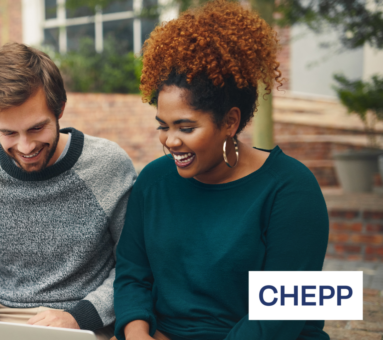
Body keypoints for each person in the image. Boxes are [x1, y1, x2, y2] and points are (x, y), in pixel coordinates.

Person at [113, 1, 330, 339]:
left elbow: (280, 316)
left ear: (230, 121)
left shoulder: (291, 189)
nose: (170, 141)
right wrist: (137, 333)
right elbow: (132, 273)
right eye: (163, 126)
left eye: (186, 128)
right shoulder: (154, 181)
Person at [0, 42, 136, 340]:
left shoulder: (108, 166)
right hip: (2, 321)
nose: (25, 147)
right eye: (8, 132)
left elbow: (133, 265)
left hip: (86, 322)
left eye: (36, 128)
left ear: (59, 108)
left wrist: (79, 318)